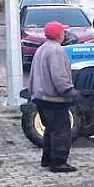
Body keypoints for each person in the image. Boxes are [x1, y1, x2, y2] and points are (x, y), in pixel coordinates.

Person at [28, 21, 78, 173]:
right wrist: (69, 91)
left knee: (50, 129)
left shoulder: (42, 49)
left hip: (40, 97)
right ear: (60, 34)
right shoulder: (56, 51)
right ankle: (58, 163)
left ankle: (47, 159)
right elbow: (59, 76)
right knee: (61, 131)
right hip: (53, 99)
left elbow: (32, 75)